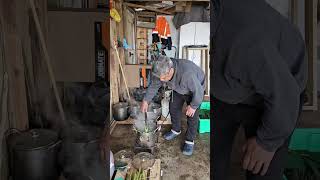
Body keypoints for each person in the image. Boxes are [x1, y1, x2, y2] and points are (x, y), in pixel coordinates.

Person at [210, 0, 307, 180]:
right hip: (231, 85)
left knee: (260, 169)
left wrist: (267, 143)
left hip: (279, 95)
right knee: (211, 162)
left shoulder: (247, 41)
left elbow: (285, 95)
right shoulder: (209, 23)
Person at [140, 55, 205, 156]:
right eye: (160, 78)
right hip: (178, 88)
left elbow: (199, 91)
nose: (162, 80)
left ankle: (189, 140)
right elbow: (154, 85)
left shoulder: (187, 75)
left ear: (171, 71)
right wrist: (146, 100)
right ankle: (176, 129)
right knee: (173, 108)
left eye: (164, 78)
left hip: (194, 89)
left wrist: (193, 106)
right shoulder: (160, 69)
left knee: (192, 116)